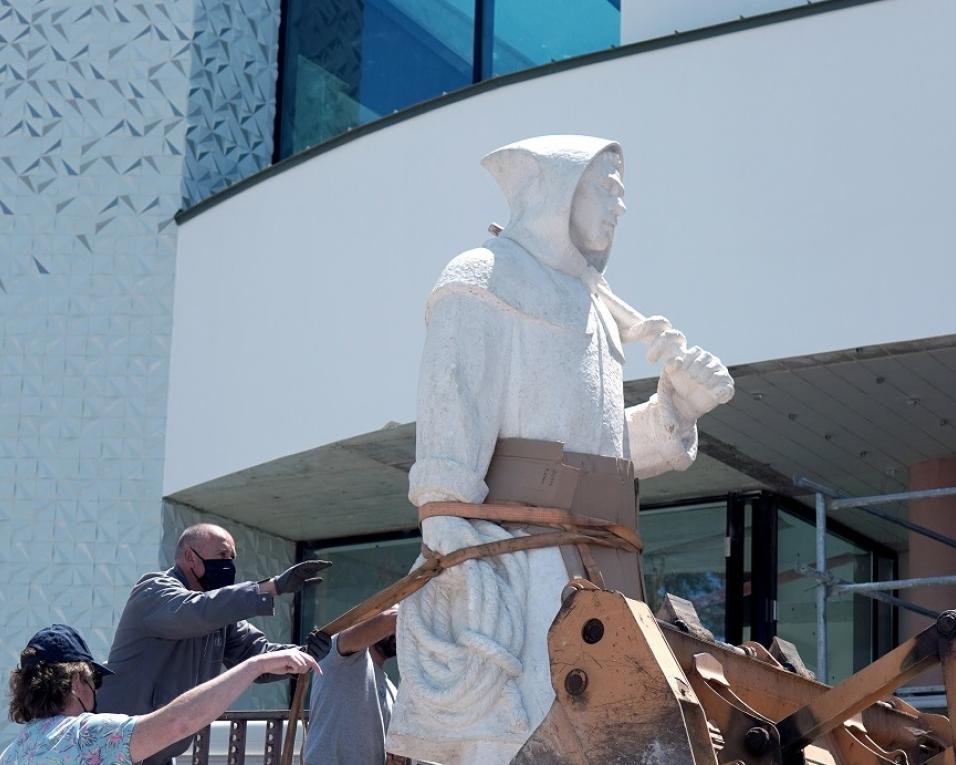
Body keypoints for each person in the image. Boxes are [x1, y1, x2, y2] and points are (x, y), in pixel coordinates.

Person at [387, 136, 735, 763]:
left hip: (602, 568)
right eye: (605, 185)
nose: (618, 205)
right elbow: (450, 422)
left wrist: (674, 409)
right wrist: (454, 553)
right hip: (515, 567)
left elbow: (594, 450)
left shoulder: (596, 308)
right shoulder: (481, 279)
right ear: (557, 189)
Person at [98, 522, 330, 765]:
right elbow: (197, 611)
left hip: (161, 752)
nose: (228, 564)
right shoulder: (154, 590)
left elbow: (258, 655)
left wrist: (304, 653)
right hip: (115, 748)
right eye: (221, 555)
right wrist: (273, 587)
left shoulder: (219, 615)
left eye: (232, 557)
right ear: (190, 557)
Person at [0, 623, 318, 764]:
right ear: (75, 684)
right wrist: (254, 665)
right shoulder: (86, 736)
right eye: (93, 681)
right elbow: (179, 722)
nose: (96, 694)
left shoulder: (13, 753)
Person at [303, 608, 399, 765]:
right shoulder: (337, 651)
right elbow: (388, 620)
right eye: (394, 629)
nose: (397, 632)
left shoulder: (392, 692)